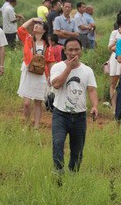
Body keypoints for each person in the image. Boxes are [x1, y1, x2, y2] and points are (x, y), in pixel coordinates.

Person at [48, 39, 98, 173]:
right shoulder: (57, 67)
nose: (73, 53)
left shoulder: (87, 70)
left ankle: (73, 175)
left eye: (76, 49)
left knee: (77, 150)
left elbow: (92, 90)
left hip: (80, 116)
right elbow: (56, 84)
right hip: (60, 114)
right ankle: (58, 173)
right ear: (64, 51)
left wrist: (94, 106)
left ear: (81, 50)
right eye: (70, 50)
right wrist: (69, 68)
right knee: (58, 144)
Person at [16, 16, 52, 129]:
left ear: (44, 30)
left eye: (39, 25)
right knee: (26, 103)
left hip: (41, 75)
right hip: (28, 72)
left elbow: (50, 62)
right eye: (35, 24)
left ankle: (36, 127)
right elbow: (20, 29)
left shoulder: (47, 45)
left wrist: (51, 76)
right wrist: (32, 20)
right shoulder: (28, 39)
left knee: (37, 102)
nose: (35, 26)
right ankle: (26, 125)